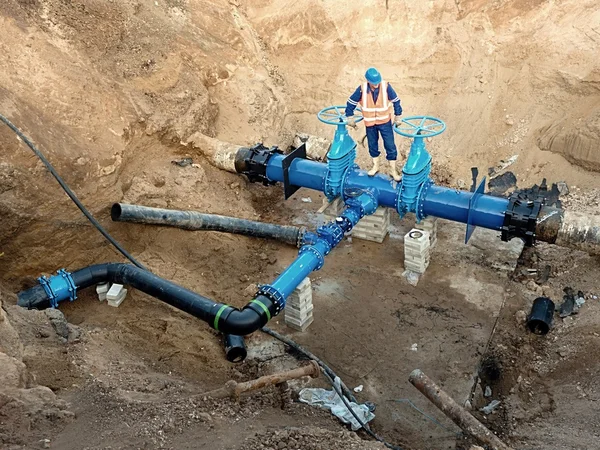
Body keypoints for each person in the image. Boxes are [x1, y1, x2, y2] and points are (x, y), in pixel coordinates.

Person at [345, 67, 403, 181]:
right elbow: (351, 101)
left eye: (377, 83)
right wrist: (349, 116)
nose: (376, 85)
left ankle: (393, 170)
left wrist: (398, 115)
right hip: (370, 123)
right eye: (373, 83)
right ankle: (375, 166)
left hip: (385, 122)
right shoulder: (362, 89)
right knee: (372, 145)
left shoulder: (386, 86)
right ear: (368, 81)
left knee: (390, 145)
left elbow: (396, 100)